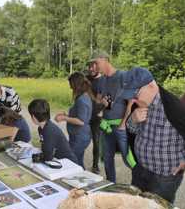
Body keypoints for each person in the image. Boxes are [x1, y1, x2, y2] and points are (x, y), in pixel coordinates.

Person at [125, 67, 185, 203]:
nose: (133, 99)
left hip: (164, 177)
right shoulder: (140, 104)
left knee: (159, 207)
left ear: (151, 86)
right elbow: (131, 130)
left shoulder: (174, 109)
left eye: (135, 94)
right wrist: (133, 120)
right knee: (136, 204)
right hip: (140, 169)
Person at [91, 52, 134, 182]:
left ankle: (140, 185)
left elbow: (132, 101)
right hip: (106, 125)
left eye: (97, 63)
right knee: (107, 158)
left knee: (129, 159)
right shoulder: (102, 80)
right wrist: (101, 102)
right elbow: (99, 100)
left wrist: (123, 123)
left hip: (120, 125)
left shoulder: (123, 76)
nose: (95, 66)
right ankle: (111, 184)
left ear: (105, 60)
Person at [55, 72, 93, 168]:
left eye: (71, 85)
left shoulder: (82, 100)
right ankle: (83, 179)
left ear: (76, 84)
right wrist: (67, 115)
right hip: (78, 136)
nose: (70, 87)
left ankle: (82, 179)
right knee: (77, 161)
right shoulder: (82, 97)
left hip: (80, 137)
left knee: (70, 160)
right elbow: (79, 116)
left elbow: (81, 121)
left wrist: (64, 118)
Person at [28, 99, 78, 164]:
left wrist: (38, 157)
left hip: (69, 163)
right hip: (59, 160)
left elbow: (48, 157)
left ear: (33, 117)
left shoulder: (49, 131)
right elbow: (45, 149)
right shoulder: (41, 128)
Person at [87, 61, 106, 174]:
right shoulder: (86, 78)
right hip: (85, 113)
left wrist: (102, 111)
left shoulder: (104, 80)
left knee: (96, 140)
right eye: (89, 67)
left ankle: (95, 165)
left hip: (97, 115)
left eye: (93, 68)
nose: (91, 69)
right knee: (81, 137)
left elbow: (109, 97)